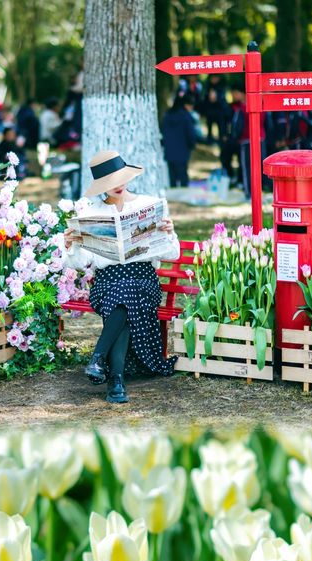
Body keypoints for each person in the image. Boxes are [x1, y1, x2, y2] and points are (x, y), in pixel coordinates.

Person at [63, 150, 180, 405]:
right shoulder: (91, 212)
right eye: (109, 182)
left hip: (142, 277)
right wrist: (70, 246)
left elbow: (172, 253)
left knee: (126, 295)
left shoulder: (147, 205)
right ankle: (115, 380)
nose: (117, 186)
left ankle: (100, 360)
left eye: (120, 178)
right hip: (107, 280)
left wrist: (169, 233)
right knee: (122, 297)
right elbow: (81, 263)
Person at [161, 94, 197, 187]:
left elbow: (163, 132)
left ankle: (173, 196)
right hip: (183, 152)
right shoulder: (186, 117)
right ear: (186, 105)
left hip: (169, 152)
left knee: (172, 178)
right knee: (183, 177)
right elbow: (191, 135)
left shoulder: (167, 116)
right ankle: (183, 196)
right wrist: (192, 145)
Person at [202, 74, 229, 144]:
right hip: (210, 111)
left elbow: (223, 100)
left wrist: (217, 97)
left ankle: (221, 141)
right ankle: (209, 140)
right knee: (209, 127)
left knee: (221, 128)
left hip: (219, 111)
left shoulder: (222, 87)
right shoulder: (207, 86)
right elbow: (204, 99)